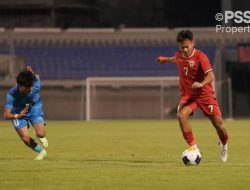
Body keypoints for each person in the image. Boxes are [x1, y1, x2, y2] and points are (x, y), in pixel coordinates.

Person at [156, 30, 229, 162]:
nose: (184, 49)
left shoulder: (201, 57)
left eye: (186, 46)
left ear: (193, 43)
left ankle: (223, 144)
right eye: (181, 47)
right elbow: (176, 59)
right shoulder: (179, 55)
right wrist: (165, 59)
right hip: (189, 95)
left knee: (219, 126)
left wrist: (201, 84)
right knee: (181, 115)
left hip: (205, 94)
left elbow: (211, 76)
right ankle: (194, 147)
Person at [3, 66, 48, 160]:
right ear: (21, 86)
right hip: (18, 113)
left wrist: (31, 73)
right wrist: (17, 115)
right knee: (25, 139)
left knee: (40, 134)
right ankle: (42, 152)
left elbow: (35, 78)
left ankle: (41, 131)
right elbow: (6, 115)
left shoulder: (35, 86)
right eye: (28, 87)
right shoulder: (12, 94)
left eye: (31, 86)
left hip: (33, 107)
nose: (31, 89)